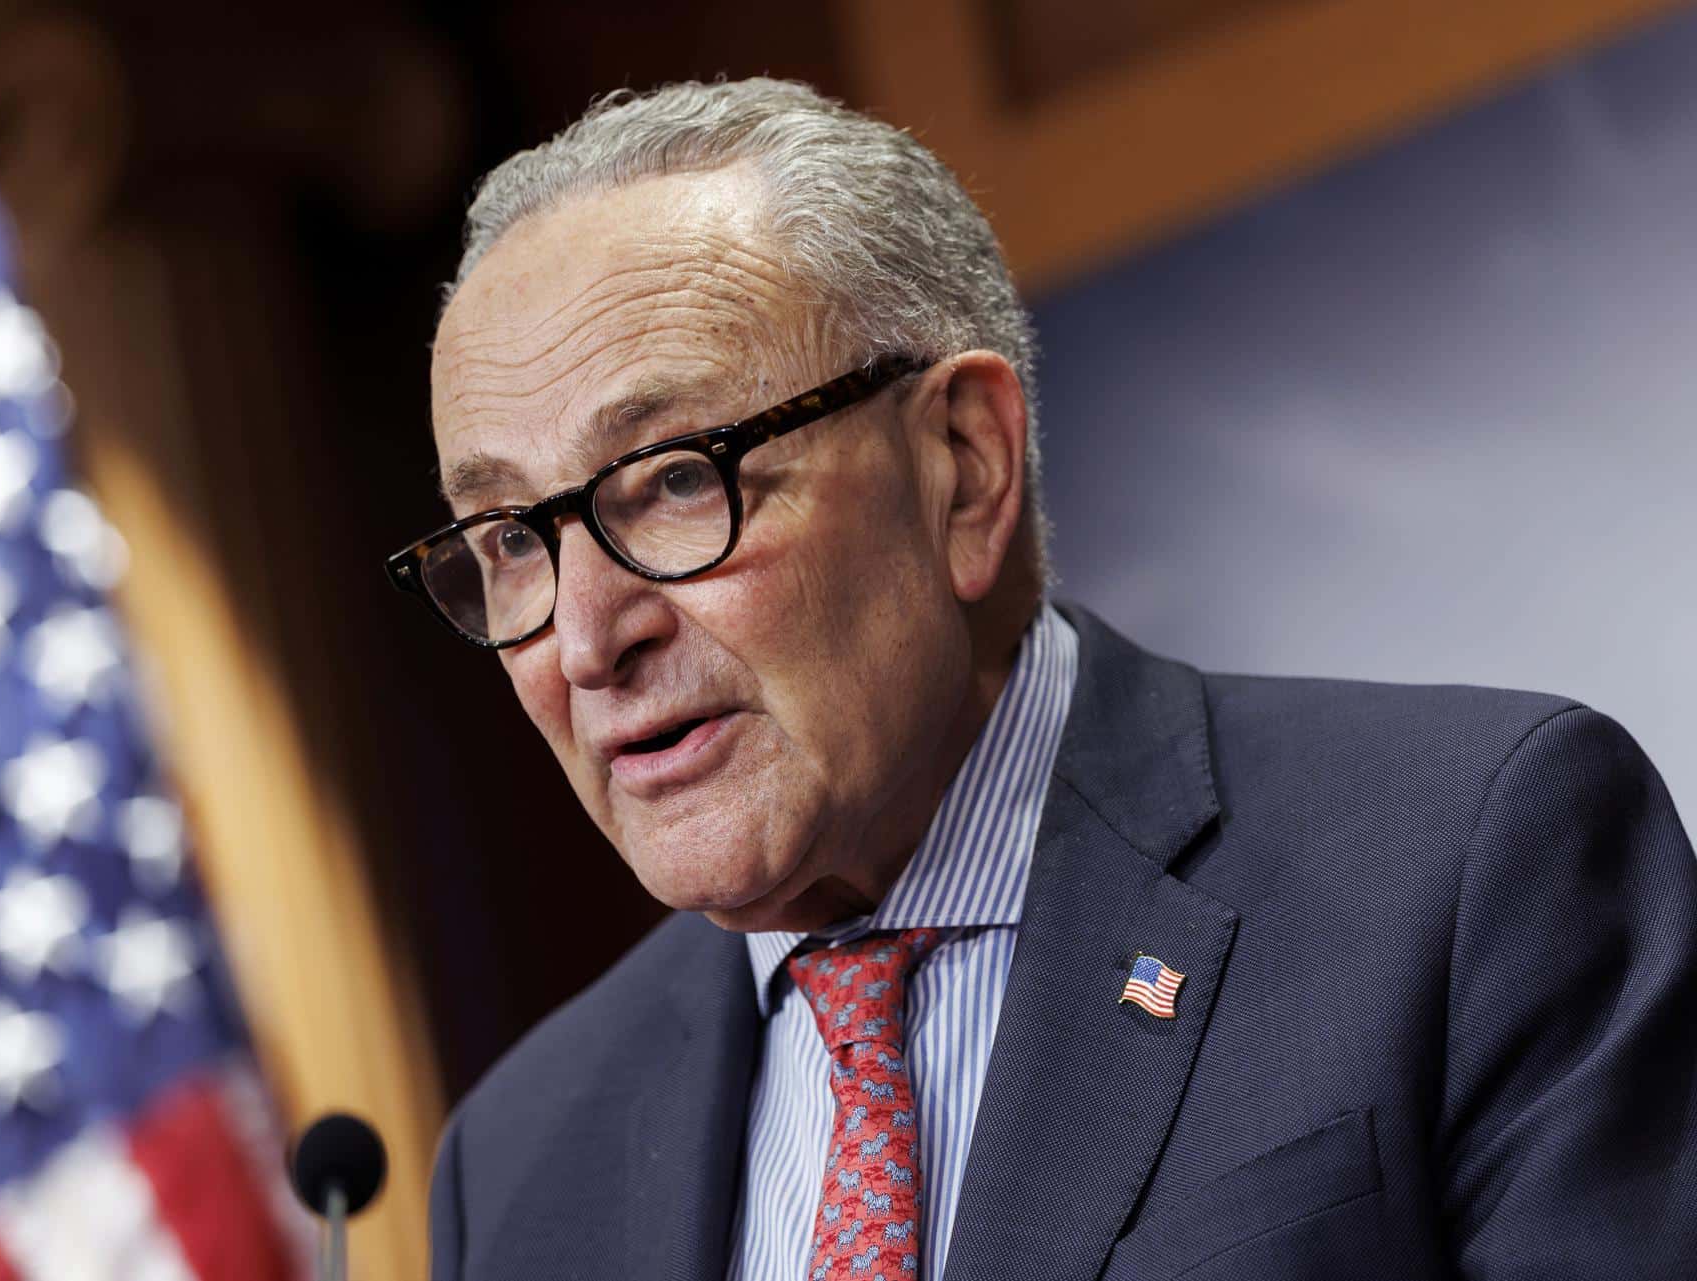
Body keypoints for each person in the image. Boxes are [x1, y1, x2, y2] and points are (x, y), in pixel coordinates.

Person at [396, 78, 1697, 1280]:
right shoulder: (515, 1170)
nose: (587, 640)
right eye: (509, 541)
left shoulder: (1470, 870)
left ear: (962, 466)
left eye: (676, 480)